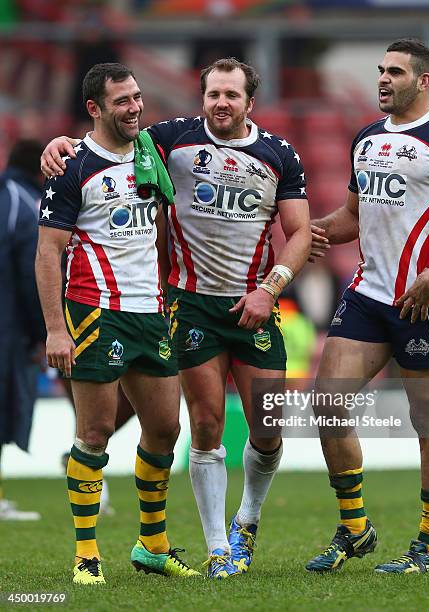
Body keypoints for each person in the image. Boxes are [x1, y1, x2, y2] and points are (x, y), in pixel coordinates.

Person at [41, 57, 312, 578]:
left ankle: (226, 526)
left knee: (247, 429)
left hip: (234, 304)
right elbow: (101, 141)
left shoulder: (278, 154)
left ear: (250, 102)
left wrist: (271, 286)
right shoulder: (166, 139)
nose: (222, 103)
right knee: (198, 424)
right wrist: (61, 143)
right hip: (177, 305)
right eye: (213, 94)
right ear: (202, 97)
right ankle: (210, 550)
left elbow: (300, 231)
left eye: (232, 95)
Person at [306, 39, 429, 574]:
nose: (383, 79)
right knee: (327, 404)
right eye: (379, 71)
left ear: (423, 80)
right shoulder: (366, 139)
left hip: (426, 302)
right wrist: (315, 233)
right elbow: (352, 217)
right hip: (368, 296)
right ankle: (355, 528)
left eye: (394, 71)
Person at [36, 63, 200, 585]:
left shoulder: (152, 147)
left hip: (150, 312)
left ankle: (152, 545)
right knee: (95, 431)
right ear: (95, 108)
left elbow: (214, 125)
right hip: (94, 312)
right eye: (122, 101)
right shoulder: (72, 167)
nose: (134, 108)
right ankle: (87, 556)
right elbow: (48, 252)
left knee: (165, 428)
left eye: (136, 98)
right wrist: (56, 329)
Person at [0, 139, 46, 521]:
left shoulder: (9, 195)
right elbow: (30, 272)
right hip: (8, 327)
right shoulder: (24, 203)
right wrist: (41, 330)